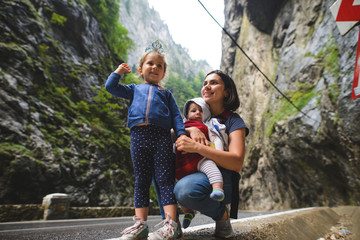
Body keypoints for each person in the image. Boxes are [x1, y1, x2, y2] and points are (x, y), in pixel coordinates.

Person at [105, 40, 186, 240]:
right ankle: (140, 225)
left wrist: (181, 134)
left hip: (161, 139)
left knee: (164, 180)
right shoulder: (133, 89)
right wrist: (119, 71)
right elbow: (110, 87)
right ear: (140, 69)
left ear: (163, 73)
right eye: (150, 63)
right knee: (141, 181)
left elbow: (176, 116)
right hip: (138, 138)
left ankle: (171, 224)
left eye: (160, 66)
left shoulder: (166, 94)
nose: (155, 67)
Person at [174, 70, 249, 238]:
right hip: (193, 171)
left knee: (185, 190)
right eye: (204, 83)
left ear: (227, 92)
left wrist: (198, 147)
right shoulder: (196, 116)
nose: (207, 86)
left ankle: (222, 215)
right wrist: (191, 128)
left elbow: (237, 162)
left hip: (222, 179)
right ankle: (172, 224)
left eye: (213, 83)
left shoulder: (233, 121)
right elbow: (173, 131)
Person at [175, 97, 228, 229]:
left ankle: (217, 189)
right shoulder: (181, 126)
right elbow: (170, 133)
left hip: (201, 158)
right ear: (186, 115)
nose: (197, 113)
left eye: (201, 110)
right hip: (183, 162)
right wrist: (190, 130)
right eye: (193, 111)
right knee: (176, 187)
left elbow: (216, 140)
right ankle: (187, 212)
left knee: (211, 168)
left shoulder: (209, 125)